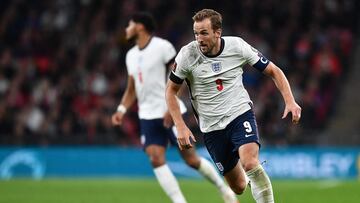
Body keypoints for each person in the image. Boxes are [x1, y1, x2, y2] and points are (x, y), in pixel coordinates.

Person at [166, 9, 302, 203]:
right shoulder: (187, 55)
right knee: (238, 187)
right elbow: (170, 91)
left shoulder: (237, 46)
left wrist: (290, 100)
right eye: (196, 33)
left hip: (239, 113)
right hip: (211, 127)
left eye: (204, 33)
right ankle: (250, 178)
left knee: (250, 163)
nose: (199, 38)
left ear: (217, 32)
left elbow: (273, 70)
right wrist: (180, 125)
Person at [111, 12, 238, 203]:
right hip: (147, 115)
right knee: (155, 159)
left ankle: (224, 189)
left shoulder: (162, 47)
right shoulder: (130, 55)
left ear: (140, 27)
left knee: (191, 160)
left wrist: (171, 108)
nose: (126, 29)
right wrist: (121, 109)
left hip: (169, 111)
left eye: (129, 25)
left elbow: (179, 79)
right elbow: (131, 88)